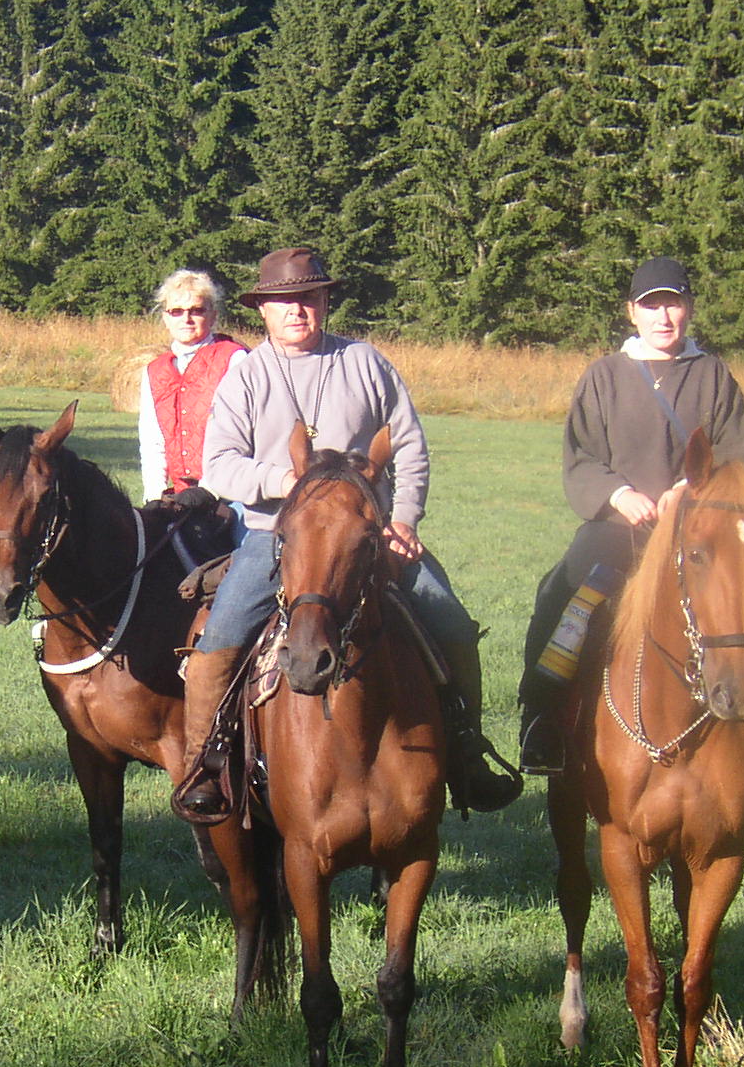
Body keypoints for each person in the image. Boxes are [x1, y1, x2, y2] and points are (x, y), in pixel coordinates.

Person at [174, 247, 522, 819]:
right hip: (278, 536)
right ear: (262, 309)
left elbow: (409, 449)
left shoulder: (366, 363)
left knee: (452, 624)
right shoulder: (247, 375)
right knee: (221, 638)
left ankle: (466, 751)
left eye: (308, 298)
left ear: (325, 301)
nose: (297, 310)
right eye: (284, 301)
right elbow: (220, 465)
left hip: (369, 536)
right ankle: (206, 764)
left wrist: (403, 519)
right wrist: (285, 481)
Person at [515, 256, 744, 778]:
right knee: (564, 589)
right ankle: (542, 717)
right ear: (632, 312)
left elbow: (733, 458)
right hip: (621, 527)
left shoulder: (713, 375)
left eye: (673, 303)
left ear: (689, 308)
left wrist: (687, 492)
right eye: (651, 306)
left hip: (703, 526)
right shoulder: (603, 376)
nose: (663, 316)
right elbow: (581, 456)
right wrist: (619, 494)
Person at [136, 268, 248, 503]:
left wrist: (207, 491)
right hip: (180, 496)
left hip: (231, 492)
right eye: (176, 311)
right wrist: (154, 497)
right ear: (166, 318)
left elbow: (241, 435)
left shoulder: (234, 358)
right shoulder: (154, 371)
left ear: (213, 315)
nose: (186, 319)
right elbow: (153, 441)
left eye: (196, 310)